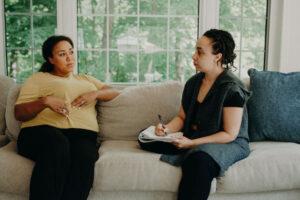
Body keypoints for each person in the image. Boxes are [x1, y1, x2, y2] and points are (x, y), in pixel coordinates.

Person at [139, 29, 251, 200]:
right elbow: (182, 118)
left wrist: (192, 143)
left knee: (198, 162)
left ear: (218, 56)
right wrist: (166, 129)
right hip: (194, 137)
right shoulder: (193, 83)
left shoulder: (232, 89)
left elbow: (230, 134)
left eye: (200, 52)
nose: (194, 56)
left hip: (229, 142)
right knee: (144, 139)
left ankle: (191, 151)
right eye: (195, 50)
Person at [15, 35, 120, 200]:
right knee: (58, 145)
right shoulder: (38, 78)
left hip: (82, 135)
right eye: (62, 54)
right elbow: (19, 113)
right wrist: (44, 101)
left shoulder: (85, 79)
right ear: (50, 59)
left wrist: (95, 93)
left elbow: (114, 92)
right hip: (41, 133)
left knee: (85, 156)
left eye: (71, 52)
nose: (70, 57)